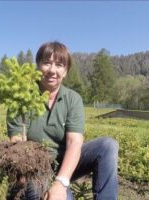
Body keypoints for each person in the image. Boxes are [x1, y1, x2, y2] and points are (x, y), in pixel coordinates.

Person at [7, 41, 118, 200]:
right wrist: (24, 175)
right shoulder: (22, 96)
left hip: (64, 162)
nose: (52, 70)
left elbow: (74, 143)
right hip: (35, 166)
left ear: (65, 71)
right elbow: (16, 141)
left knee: (107, 146)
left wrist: (60, 183)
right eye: (46, 63)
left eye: (59, 65)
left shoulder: (73, 99)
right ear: (38, 66)